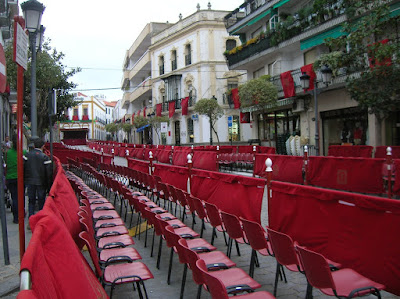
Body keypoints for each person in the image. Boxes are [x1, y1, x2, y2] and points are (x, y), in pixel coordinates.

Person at [24, 138, 53, 227]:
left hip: (30, 181)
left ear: (34, 145)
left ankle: (30, 220)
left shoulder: (27, 155)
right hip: (41, 182)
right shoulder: (44, 157)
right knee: (41, 201)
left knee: (31, 201)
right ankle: (40, 221)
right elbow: (48, 173)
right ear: (43, 146)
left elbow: (23, 168)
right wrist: (49, 187)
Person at [5, 136, 26, 223]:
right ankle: (20, 213)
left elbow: (6, 164)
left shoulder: (8, 153)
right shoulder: (23, 152)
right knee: (21, 196)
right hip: (20, 177)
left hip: (10, 177)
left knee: (14, 197)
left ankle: (15, 216)